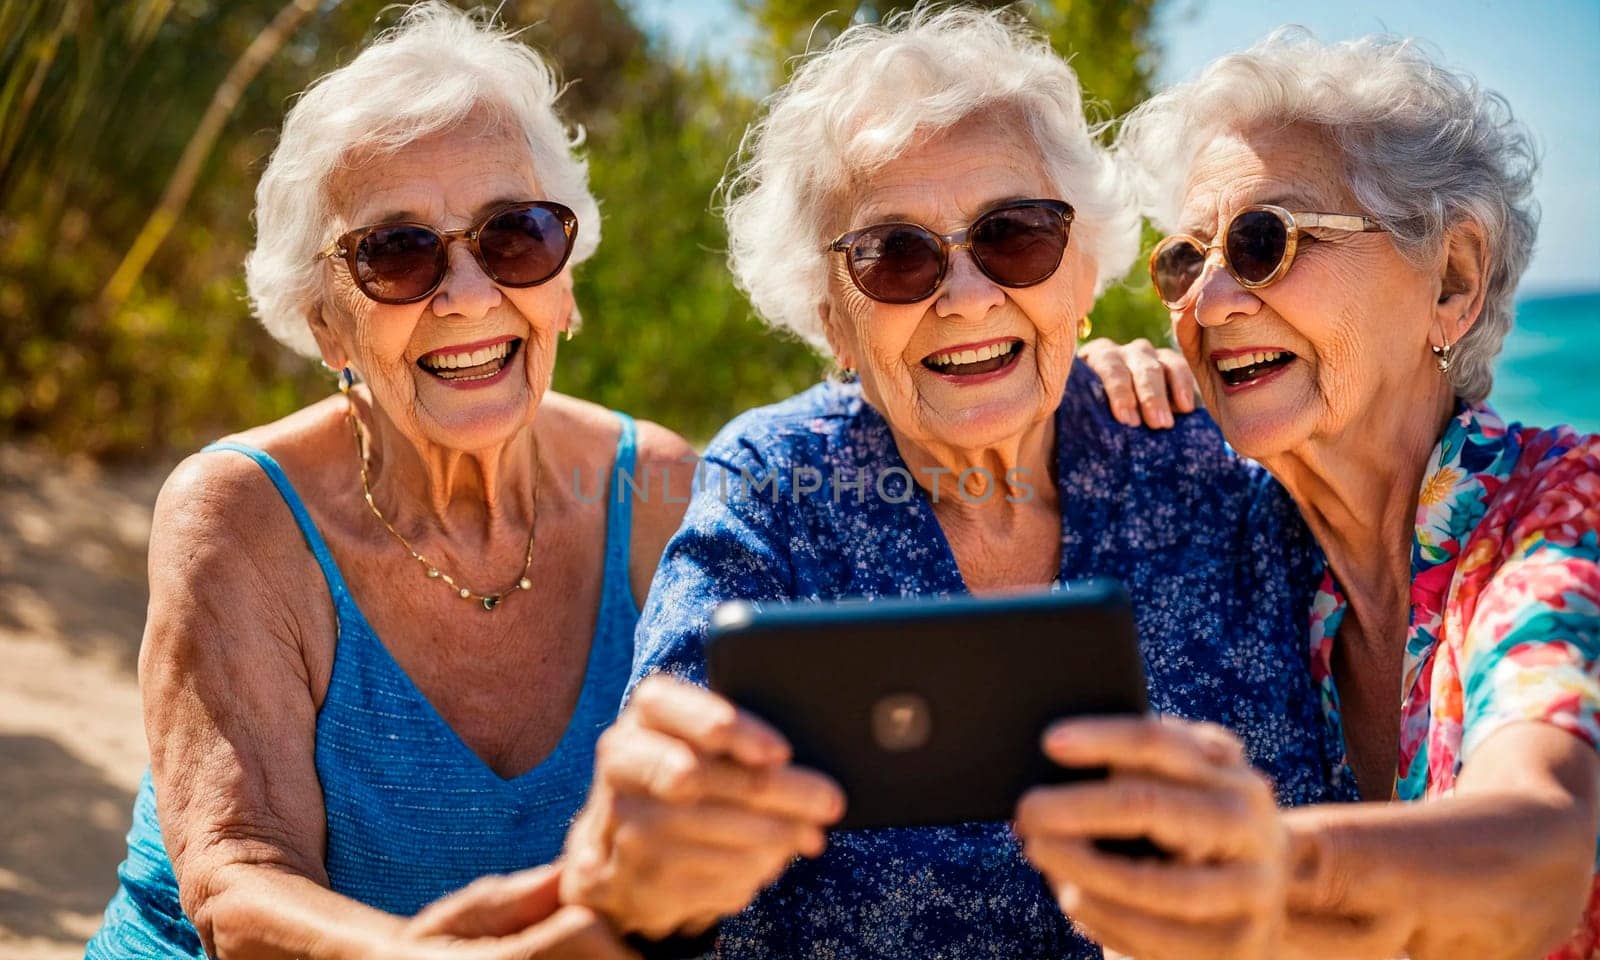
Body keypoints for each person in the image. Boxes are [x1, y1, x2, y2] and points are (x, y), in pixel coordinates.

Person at [556, 9, 1355, 958]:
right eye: (896, 257)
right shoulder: (777, 487)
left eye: (1017, 237)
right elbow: (662, 801)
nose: (969, 296)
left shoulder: (1207, 460)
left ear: (1084, 271)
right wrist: (652, 832)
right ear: (833, 323)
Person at [84, 4, 692, 956]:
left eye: (516, 235)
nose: (470, 296)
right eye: (395, 252)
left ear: (566, 280)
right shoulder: (237, 514)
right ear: (324, 322)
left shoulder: (659, 491)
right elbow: (237, 881)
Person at [1010, 31, 1600, 960]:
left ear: (1451, 281)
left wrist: (1271, 872)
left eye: (1263, 242)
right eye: (1182, 261)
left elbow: (1542, 855)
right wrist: (1089, 396)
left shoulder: (1561, 510)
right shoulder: (1252, 529)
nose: (1206, 305)